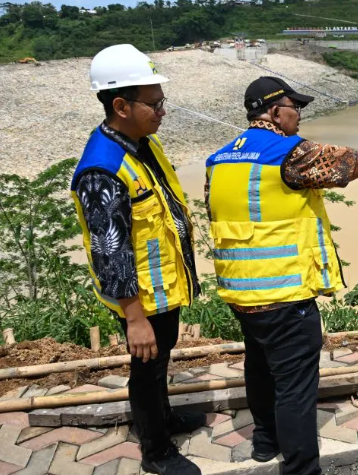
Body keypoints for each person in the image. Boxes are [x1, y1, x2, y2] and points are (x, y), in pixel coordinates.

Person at [205, 76, 358, 475]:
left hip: (242, 291)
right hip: (284, 290)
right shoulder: (289, 154)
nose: (300, 116)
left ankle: (264, 443)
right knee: (295, 389)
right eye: (296, 108)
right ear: (276, 111)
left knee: (259, 368)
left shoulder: (219, 159)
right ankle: (301, 469)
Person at [71, 44, 204, 475]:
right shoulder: (102, 169)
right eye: (154, 103)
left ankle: (163, 419)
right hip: (141, 297)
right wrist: (135, 319)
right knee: (146, 370)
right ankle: (156, 451)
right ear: (121, 105)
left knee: (160, 361)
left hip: (161, 285)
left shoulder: (140, 143)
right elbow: (110, 252)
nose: (162, 111)